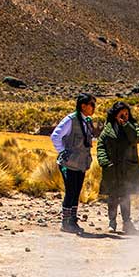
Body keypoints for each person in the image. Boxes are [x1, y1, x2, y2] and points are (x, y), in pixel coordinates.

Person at [50, 93, 99, 234]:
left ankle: (72, 221)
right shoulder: (70, 120)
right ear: (83, 106)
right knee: (70, 191)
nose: (93, 108)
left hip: (81, 163)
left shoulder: (87, 121)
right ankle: (66, 222)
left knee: (76, 191)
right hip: (69, 163)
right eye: (91, 104)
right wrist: (63, 152)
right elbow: (55, 136)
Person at [96, 101, 139, 234]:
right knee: (112, 196)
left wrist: (126, 125)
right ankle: (112, 222)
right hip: (112, 168)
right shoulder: (108, 128)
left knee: (125, 196)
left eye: (126, 114)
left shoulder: (133, 126)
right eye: (121, 114)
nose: (124, 116)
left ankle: (127, 223)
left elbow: (136, 138)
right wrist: (104, 161)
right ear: (115, 114)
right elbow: (101, 146)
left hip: (127, 169)